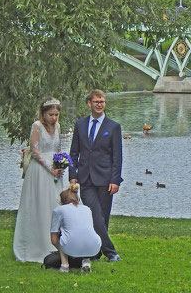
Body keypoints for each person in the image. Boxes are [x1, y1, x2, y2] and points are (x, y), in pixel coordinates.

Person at [69, 89, 123, 262]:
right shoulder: (80, 124)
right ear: (89, 104)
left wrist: (115, 180)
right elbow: (74, 152)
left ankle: (96, 252)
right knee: (94, 214)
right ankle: (111, 252)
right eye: (96, 102)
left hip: (106, 180)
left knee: (103, 218)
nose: (100, 104)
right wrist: (73, 174)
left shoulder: (113, 127)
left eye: (102, 102)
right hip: (85, 179)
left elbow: (117, 156)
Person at [13, 96, 64, 263]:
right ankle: (35, 246)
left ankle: (54, 244)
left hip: (55, 171)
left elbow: (58, 148)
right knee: (39, 205)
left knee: (54, 204)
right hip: (40, 171)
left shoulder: (57, 127)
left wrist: (61, 163)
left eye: (56, 114)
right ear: (43, 113)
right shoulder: (36, 126)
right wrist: (50, 168)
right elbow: (34, 150)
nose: (54, 118)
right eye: (51, 114)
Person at [50, 184, 102, 273]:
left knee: (59, 233)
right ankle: (86, 261)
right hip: (95, 246)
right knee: (84, 231)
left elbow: (54, 240)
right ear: (78, 199)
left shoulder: (58, 210)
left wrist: (63, 250)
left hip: (70, 245)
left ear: (61, 202)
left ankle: (64, 265)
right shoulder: (87, 209)